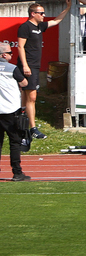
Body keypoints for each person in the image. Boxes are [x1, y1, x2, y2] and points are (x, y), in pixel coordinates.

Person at [16, 0, 72, 140]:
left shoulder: (40, 26)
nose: (43, 15)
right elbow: (20, 46)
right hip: (28, 65)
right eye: (41, 13)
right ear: (33, 13)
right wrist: (25, 65)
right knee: (32, 96)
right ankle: (33, 128)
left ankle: (22, 122)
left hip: (34, 65)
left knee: (27, 94)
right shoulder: (25, 27)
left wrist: (68, 7)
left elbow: (56, 21)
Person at [0, 42, 30, 181]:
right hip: (11, 110)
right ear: (4, 55)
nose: (12, 55)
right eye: (10, 53)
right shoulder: (12, 68)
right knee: (15, 142)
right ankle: (17, 173)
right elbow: (24, 83)